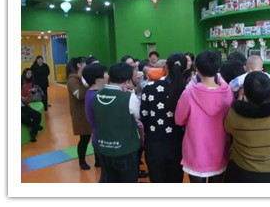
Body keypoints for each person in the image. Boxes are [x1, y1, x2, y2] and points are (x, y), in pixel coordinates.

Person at [175, 50, 233, 183]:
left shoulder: (189, 93)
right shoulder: (227, 92)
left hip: (195, 152)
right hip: (220, 152)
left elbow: (179, 119)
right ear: (218, 69)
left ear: (197, 69)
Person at [223, 71, 270, 183]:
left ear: (245, 93)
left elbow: (227, 128)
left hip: (244, 172)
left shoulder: (235, 116)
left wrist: (239, 99)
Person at [142, 53, 188, 183]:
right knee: (176, 180)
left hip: (154, 142)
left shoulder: (150, 87)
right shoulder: (186, 90)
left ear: (166, 66)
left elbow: (144, 115)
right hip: (178, 143)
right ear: (185, 69)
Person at [94, 63, 142, 183]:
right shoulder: (129, 97)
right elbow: (138, 115)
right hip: (125, 149)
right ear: (127, 81)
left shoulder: (97, 95)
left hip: (104, 148)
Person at [66, 57, 93, 170]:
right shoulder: (73, 80)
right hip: (81, 114)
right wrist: (89, 84)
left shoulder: (80, 78)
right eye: (84, 63)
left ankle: (97, 161)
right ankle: (82, 161)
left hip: (87, 111)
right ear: (79, 65)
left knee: (90, 136)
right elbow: (80, 95)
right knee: (84, 138)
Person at [83, 63, 109, 169]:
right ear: (98, 79)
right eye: (105, 73)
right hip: (103, 141)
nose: (108, 75)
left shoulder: (94, 93)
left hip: (100, 139)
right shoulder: (96, 96)